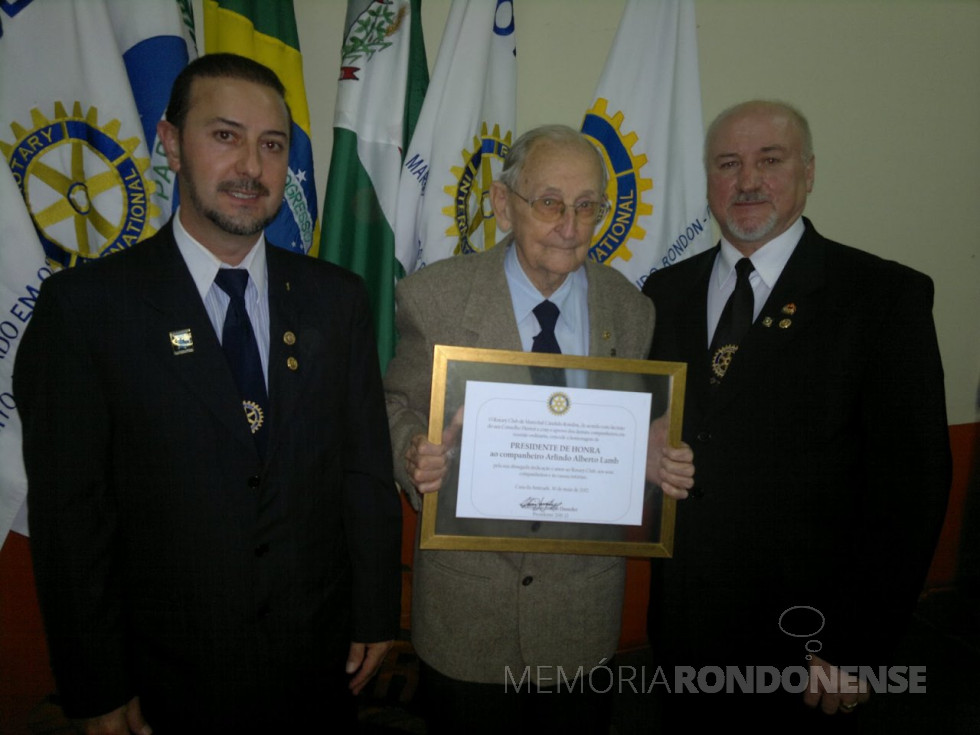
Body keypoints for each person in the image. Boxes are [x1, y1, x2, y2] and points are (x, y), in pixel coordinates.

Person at [14, 53, 401, 733]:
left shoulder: (335, 300)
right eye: (225, 136)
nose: (251, 165)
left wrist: (374, 611)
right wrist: (97, 684)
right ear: (171, 143)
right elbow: (71, 519)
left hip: (316, 670)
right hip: (164, 683)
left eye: (272, 144)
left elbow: (363, 469)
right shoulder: (86, 309)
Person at [641, 100, 951, 729]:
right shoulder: (664, 293)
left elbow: (911, 487)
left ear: (809, 172)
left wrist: (856, 647)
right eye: (728, 163)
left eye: (770, 160)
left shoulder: (883, 298)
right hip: (684, 634)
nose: (747, 180)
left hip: (809, 648)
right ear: (708, 179)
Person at [384, 124, 695, 734]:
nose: (571, 225)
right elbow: (396, 403)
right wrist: (411, 451)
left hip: (581, 611)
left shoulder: (632, 312)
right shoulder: (433, 298)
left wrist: (654, 470)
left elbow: (626, 448)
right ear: (504, 205)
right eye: (550, 202)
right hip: (467, 608)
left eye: (588, 206)